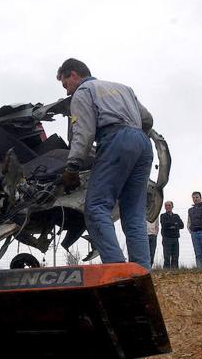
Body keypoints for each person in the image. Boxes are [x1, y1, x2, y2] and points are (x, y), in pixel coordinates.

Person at [57, 58, 154, 270]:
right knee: (135, 215)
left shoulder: (83, 92)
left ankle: (117, 270)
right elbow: (147, 119)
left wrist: (72, 166)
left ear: (73, 75)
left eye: (65, 84)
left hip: (115, 139)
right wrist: (135, 141)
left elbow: (83, 132)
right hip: (143, 144)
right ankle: (142, 272)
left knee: (96, 207)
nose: (66, 91)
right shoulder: (123, 88)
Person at [160, 201, 184, 269]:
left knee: (175, 256)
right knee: (167, 257)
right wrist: (175, 224)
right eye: (166, 205)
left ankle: (175, 272)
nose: (167, 207)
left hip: (175, 238)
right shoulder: (163, 216)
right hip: (166, 238)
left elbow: (182, 225)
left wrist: (171, 225)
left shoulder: (176, 216)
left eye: (169, 205)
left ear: (172, 206)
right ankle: (166, 272)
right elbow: (165, 225)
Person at [187, 192, 202, 268]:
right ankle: (200, 270)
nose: (195, 199)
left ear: (200, 198)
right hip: (194, 233)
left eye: (197, 197)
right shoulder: (190, 210)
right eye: (194, 197)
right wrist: (190, 230)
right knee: (198, 253)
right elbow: (189, 221)